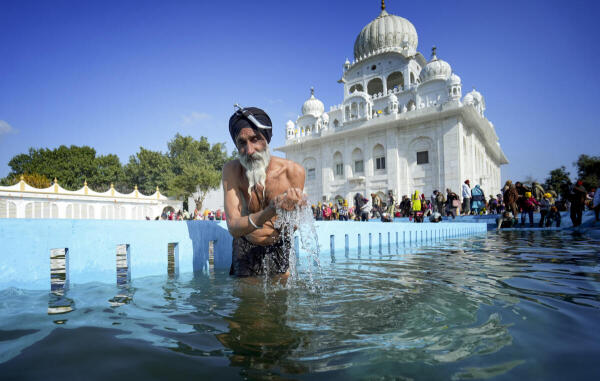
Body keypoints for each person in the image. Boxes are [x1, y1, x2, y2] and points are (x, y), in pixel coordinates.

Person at [223, 105, 305, 277]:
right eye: (242, 143)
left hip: (279, 245)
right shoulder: (232, 171)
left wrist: (294, 210)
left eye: (255, 139)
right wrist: (270, 211)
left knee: (280, 300)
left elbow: (293, 226)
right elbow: (233, 227)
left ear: (266, 139)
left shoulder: (293, 172)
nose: (249, 150)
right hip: (245, 244)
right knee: (248, 301)